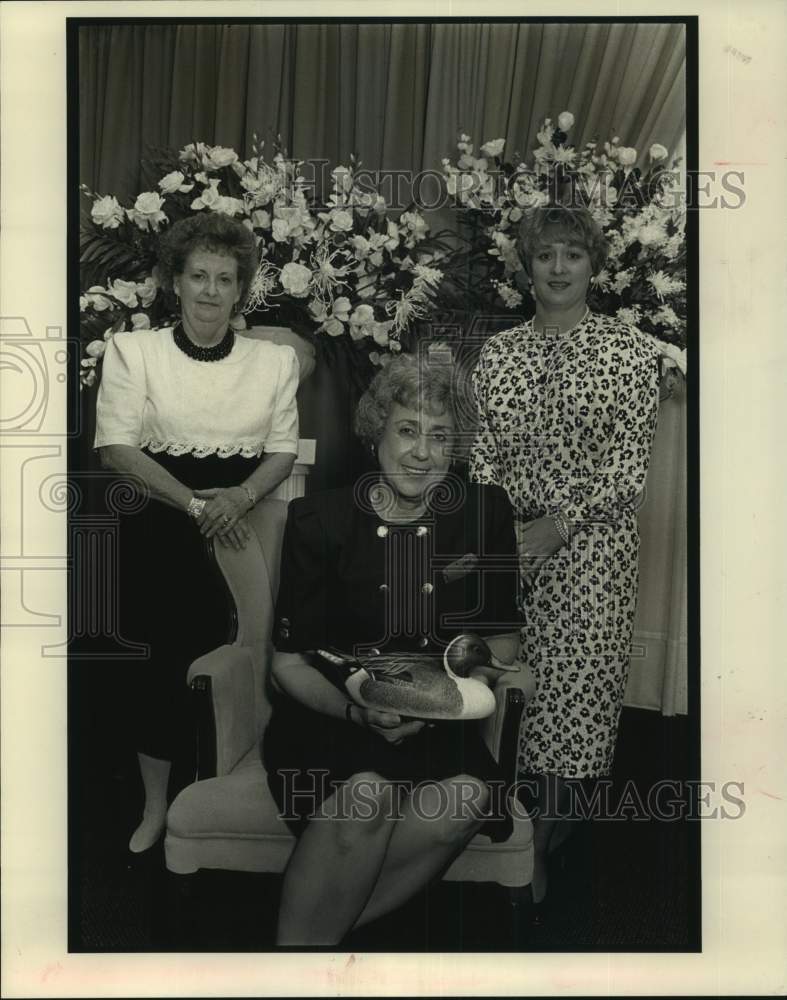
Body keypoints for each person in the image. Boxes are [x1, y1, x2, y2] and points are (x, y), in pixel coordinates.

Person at [263, 349, 522, 946]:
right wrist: (358, 710)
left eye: (440, 436)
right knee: (367, 794)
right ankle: (302, 954)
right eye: (407, 430)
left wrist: (451, 694)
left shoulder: (484, 516)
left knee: (466, 797)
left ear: (456, 448)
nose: (422, 453)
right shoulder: (318, 519)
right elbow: (287, 666)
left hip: (441, 721)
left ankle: (309, 939)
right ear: (375, 430)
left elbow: (500, 644)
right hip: (332, 717)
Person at [469, 204, 661, 908]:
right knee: (512, 687)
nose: (556, 269)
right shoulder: (498, 353)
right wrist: (496, 537)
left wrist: (562, 523)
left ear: (592, 266)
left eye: (571, 256)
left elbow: (628, 466)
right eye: (544, 256)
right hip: (512, 547)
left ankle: (544, 840)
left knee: (573, 702)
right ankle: (514, 829)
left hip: (592, 550)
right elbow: (482, 456)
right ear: (526, 266)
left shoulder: (630, 352)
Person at [94, 212, 299, 853]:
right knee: (162, 669)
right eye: (198, 276)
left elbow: (283, 451)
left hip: (246, 525)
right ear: (173, 283)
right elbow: (115, 450)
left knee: (244, 658)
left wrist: (238, 498)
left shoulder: (273, 361)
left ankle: (223, 798)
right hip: (161, 524)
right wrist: (193, 506)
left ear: (242, 291)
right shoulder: (135, 351)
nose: (211, 291)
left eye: (225, 279)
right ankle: (157, 807)